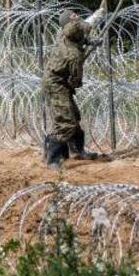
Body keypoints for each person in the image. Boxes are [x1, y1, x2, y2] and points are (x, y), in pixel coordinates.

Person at [42, 9, 105, 168]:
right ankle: (53, 158)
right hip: (56, 84)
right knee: (66, 122)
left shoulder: (65, 36)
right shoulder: (74, 55)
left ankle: (77, 150)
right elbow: (76, 80)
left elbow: (78, 32)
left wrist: (89, 42)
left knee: (73, 115)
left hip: (58, 81)